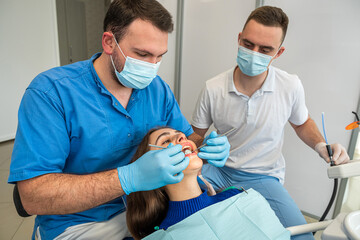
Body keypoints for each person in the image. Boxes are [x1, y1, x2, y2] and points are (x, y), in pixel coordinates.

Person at [7, 0, 230, 239]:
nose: (152, 67)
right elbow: (32, 197)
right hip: (80, 224)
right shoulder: (52, 93)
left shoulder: (158, 90)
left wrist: (204, 147)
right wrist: (128, 178)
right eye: (142, 54)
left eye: (159, 56)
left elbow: (183, 140)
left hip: (149, 212)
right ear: (109, 42)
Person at [191, 6, 350, 240]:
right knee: (168, 206)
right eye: (248, 44)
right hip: (217, 170)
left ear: (279, 52)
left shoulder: (290, 85)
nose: (254, 53)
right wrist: (193, 149)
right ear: (239, 39)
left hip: (263, 176)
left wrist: (321, 146)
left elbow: (302, 123)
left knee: (300, 236)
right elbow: (196, 135)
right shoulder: (213, 88)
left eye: (265, 49)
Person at [126, 127, 290, 240]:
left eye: (180, 135)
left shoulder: (236, 195)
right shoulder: (164, 234)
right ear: (151, 171)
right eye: (166, 141)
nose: (182, 137)